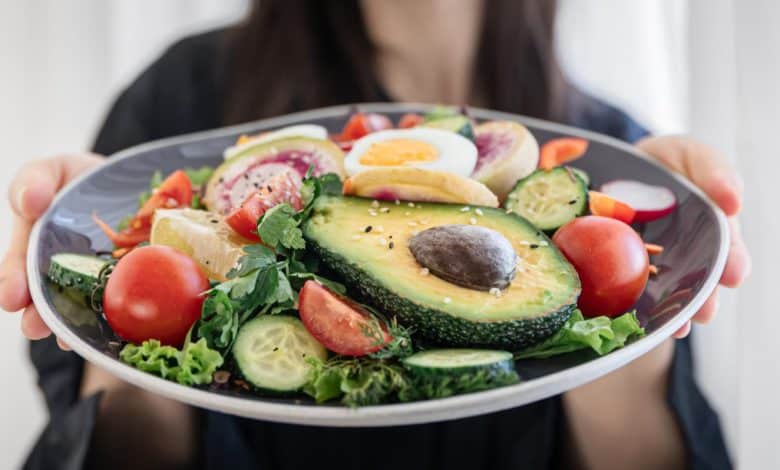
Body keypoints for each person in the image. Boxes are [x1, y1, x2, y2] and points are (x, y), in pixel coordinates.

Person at [0, 1, 750, 469]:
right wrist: (126, 297)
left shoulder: (609, 153)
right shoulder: (179, 96)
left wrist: (626, 295)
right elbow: (124, 441)